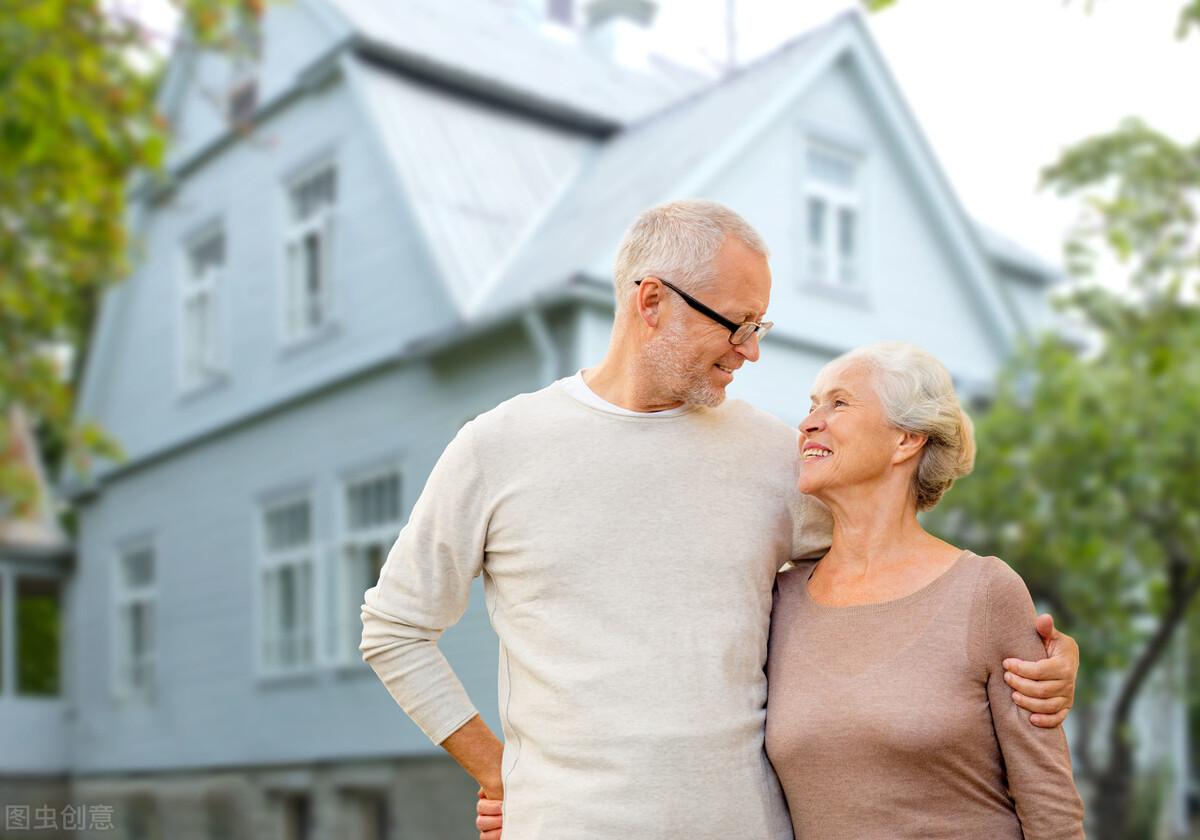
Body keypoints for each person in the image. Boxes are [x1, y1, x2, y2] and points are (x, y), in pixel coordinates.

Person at [359, 200, 1080, 840]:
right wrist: (498, 772)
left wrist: (1034, 659)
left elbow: (898, 575)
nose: (752, 350)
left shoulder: (774, 456)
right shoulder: (499, 446)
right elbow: (395, 629)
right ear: (651, 304)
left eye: (760, 326)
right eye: (737, 324)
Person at [766, 342, 1085, 838]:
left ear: (906, 440)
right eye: (811, 405)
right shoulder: (779, 600)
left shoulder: (984, 591)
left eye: (839, 403)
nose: (808, 422)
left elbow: (1050, 806)